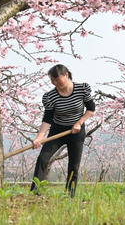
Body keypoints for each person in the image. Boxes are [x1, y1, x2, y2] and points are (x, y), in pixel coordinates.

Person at [30, 64, 95, 198]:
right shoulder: (50, 96)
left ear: (66, 75)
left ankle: (69, 195)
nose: (55, 83)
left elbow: (91, 109)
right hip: (57, 131)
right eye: (52, 81)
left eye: (57, 80)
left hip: (76, 131)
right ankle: (35, 193)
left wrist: (79, 123)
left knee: (74, 165)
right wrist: (39, 137)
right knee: (43, 158)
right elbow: (47, 119)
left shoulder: (81, 89)